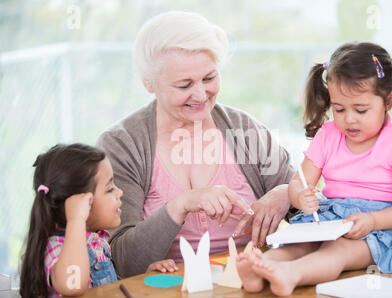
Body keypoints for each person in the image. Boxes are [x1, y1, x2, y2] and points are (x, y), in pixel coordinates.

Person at [97, 11, 295, 278]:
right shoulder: (123, 145)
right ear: (149, 84)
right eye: (184, 85)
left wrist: (285, 192)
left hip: (250, 285)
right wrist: (181, 204)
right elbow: (122, 261)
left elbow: (320, 208)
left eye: (209, 78)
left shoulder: (246, 130)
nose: (201, 95)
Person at [237, 42, 392, 297]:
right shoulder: (327, 136)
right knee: (300, 245)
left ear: (389, 100)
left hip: (383, 228)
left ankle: (291, 275)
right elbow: (299, 182)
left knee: (337, 251)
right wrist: (299, 195)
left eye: (360, 110)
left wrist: (373, 221)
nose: (349, 119)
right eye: (339, 109)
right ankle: (263, 268)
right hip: (332, 220)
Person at [19, 143, 176, 298]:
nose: (120, 192)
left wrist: (142, 280)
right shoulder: (56, 249)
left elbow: (108, 292)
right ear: (81, 204)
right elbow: (73, 287)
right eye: (109, 189)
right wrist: (76, 220)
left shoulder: (97, 241)